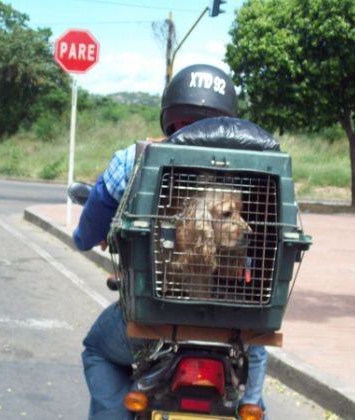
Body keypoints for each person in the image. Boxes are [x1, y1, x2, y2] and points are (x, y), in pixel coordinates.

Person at [73, 64, 269, 419]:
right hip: (236, 323)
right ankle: (251, 406)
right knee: (252, 364)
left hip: (153, 321)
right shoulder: (262, 167)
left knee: (97, 350)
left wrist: (88, 237)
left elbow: (86, 235)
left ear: (171, 117)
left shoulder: (134, 158)